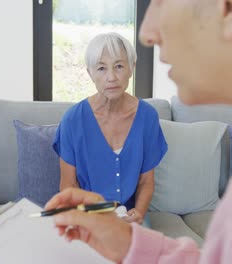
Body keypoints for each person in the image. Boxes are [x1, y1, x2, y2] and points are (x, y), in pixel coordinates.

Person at [45, 0, 232, 263]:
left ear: (231, 7)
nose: (147, 33)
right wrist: (132, 245)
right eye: (102, 67)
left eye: (160, 2)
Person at [52, 32, 167, 225]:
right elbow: (68, 184)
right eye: (101, 68)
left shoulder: (148, 117)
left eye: (119, 66)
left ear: (132, 68)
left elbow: (146, 181)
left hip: (130, 215)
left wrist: (139, 212)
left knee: (137, 250)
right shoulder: (72, 120)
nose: (111, 77)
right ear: (90, 73)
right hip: (87, 213)